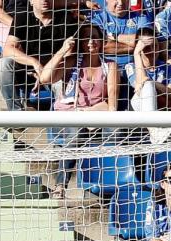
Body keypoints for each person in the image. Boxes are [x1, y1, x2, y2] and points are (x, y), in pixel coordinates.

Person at [38, 23, 119, 197]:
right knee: (76, 130)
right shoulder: (72, 62)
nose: (91, 41)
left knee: (117, 129)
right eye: (87, 37)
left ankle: (110, 180)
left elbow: (111, 104)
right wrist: (62, 51)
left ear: (102, 41)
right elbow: (45, 78)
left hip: (95, 117)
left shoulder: (110, 66)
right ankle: (60, 185)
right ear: (80, 42)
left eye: (95, 37)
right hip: (65, 118)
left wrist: (87, 114)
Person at [0, 0, 79, 111]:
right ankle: (16, 114)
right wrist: (35, 63)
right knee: (2, 64)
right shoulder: (22, 17)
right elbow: (8, 49)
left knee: (61, 82)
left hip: (54, 71)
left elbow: (69, 55)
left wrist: (45, 74)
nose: (44, 1)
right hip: (27, 70)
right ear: (31, 1)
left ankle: (59, 121)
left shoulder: (66, 19)